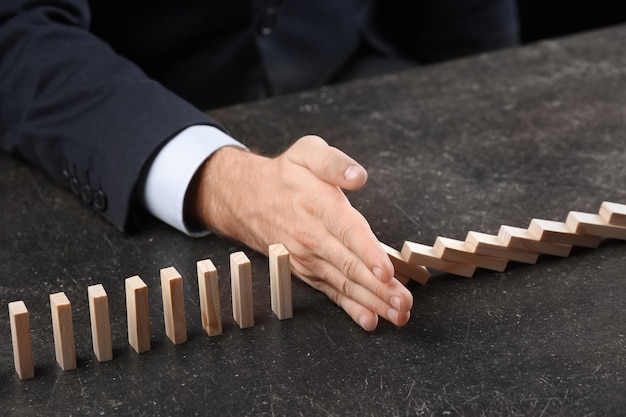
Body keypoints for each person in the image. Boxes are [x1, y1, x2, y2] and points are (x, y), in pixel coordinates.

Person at [0, 1, 519, 331]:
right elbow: (15, 30)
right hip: (127, 123)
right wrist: (218, 180)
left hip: (360, 78)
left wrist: (489, 99)